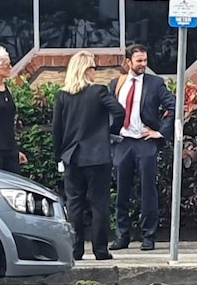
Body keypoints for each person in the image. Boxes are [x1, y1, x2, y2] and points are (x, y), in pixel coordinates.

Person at [53, 51, 125, 261]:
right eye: (94, 67)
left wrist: (60, 154)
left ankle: (76, 250)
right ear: (86, 70)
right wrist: (110, 133)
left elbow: (57, 129)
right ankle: (100, 251)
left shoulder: (62, 95)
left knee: (74, 204)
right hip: (98, 155)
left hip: (72, 156)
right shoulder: (99, 92)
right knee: (99, 204)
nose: (96, 72)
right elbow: (119, 112)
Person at [108, 43, 175, 252]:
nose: (143, 64)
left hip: (145, 142)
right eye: (139, 61)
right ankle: (122, 235)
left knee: (148, 191)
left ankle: (148, 236)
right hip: (123, 142)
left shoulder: (155, 83)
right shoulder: (116, 84)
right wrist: (110, 133)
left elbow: (173, 105)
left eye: (145, 60)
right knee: (121, 191)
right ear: (128, 62)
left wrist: (161, 132)